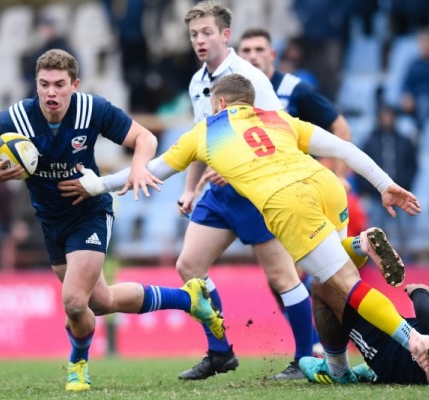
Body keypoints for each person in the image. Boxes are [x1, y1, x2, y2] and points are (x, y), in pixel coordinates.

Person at [59, 73, 429, 383]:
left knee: (345, 286)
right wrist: (384, 185)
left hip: (288, 203)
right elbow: (343, 149)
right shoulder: (276, 118)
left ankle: (414, 341)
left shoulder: (206, 130)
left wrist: (95, 184)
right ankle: (341, 346)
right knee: (327, 278)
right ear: (249, 103)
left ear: (219, 104)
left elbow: (150, 171)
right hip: (325, 185)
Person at [0, 48, 222, 392]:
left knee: (74, 301)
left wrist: (136, 166)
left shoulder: (92, 109)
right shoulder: (15, 119)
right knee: (99, 302)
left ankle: (78, 365)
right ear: (36, 85)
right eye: (44, 84)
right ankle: (189, 300)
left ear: (75, 84)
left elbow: (144, 138)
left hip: (89, 212)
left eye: (59, 84)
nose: (51, 92)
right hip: (49, 220)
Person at [172, 1, 321, 381]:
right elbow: (198, 141)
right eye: (193, 34)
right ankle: (220, 351)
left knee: (282, 277)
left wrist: (240, 172)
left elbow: (277, 132)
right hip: (219, 195)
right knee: (189, 267)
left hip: (256, 193)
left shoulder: (249, 77)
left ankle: (307, 358)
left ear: (225, 35)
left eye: (206, 32)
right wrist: (190, 189)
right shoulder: (196, 82)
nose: (199, 40)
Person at [237, 26, 358, 375]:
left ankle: (332, 343)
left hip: (304, 192)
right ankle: (321, 343)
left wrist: (337, 175)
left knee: (313, 275)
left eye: (260, 49)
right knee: (285, 280)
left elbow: (340, 128)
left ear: (272, 55)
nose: (252, 56)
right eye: (245, 51)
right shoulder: (237, 98)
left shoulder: (293, 90)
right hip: (266, 196)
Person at [299, 281, 429, 385]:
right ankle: (372, 370)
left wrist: (419, 291)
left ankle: (336, 371)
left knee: (324, 285)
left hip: (392, 351)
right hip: (405, 350)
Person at [356, 105, 418, 253]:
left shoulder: (405, 141)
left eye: (389, 116)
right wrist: (369, 189)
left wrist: (405, 184)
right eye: (383, 116)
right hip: (376, 194)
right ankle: (377, 263)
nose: (386, 119)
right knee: (375, 231)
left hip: (401, 193)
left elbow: (413, 166)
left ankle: (405, 261)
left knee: (403, 231)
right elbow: (360, 167)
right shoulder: (370, 141)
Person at [400, 29, 429, 130]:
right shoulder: (414, 64)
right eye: (423, 44)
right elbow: (406, 84)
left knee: (424, 102)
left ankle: (421, 131)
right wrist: (407, 96)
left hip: (424, 98)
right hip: (416, 99)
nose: (425, 47)